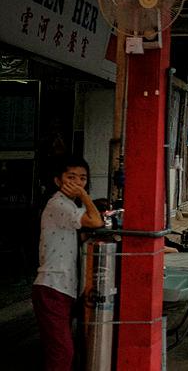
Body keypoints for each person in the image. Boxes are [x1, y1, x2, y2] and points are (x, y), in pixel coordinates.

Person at [33, 155, 104, 371]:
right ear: (58, 181)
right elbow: (96, 220)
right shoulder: (58, 204)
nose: (77, 182)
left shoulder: (67, 206)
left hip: (64, 287)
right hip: (52, 286)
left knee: (63, 349)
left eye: (82, 178)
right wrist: (84, 195)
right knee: (62, 352)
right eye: (71, 177)